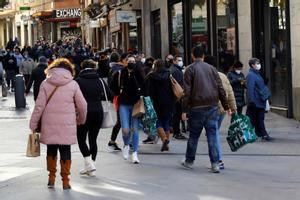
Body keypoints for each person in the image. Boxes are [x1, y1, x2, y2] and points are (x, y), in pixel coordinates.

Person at [29, 58, 87, 189]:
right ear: (69, 70)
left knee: (51, 149)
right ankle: (66, 181)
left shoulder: (45, 83)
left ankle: (51, 177)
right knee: (66, 150)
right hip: (67, 124)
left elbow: (39, 106)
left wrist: (33, 125)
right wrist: (81, 120)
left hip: (49, 123)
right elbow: (83, 106)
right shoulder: (73, 84)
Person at [181, 46, 229, 173]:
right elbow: (220, 89)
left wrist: (184, 110)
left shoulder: (189, 69)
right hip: (212, 106)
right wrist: (226, 106)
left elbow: (187, 92)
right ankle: (215, 163)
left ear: (192, 56)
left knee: (194, 135)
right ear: (203, 56)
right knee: (212, 135)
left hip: (196, 107)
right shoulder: (212, 69)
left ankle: (189, 161)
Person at [76, 59, 113, 176]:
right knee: (93, 139)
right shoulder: (100, 80)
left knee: (81, 139)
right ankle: (91, 165)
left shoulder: (78, 81)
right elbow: (110, 95)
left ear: (82, 68)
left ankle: (89, 164)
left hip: (84, 113)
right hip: (98, 112)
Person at [204, 55, 237, 170]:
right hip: (223, 108)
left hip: (212, 108)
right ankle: (217, 159)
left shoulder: (206, 75)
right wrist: (233, 108)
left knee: (213, 133)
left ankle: (218, 160)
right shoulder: (223, 75)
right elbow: (230, 92)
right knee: (214, 132)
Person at [110, 55, 145, 164]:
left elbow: (144, 88)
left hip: (136, 104)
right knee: (125, 129)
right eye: (129, 61)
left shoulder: (139, 74)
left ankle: (134, 153)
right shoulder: (119, 74)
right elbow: (113, 89)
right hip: (123, 104)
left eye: (133, 61)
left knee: (135, 129)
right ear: (125, 62)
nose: (131, 63)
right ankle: (126, 144)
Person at [146, 59, 175, 151]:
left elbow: (149, 90)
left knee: (157, 122)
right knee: (166, 121)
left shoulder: (151, 76)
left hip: (156, 102)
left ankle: (164, 139)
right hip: (168, 101)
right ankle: (165, 143)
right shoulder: (168, 74)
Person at [246, 58, 274, 141]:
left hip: (260, 100)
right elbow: (250, 89)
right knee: (257, 119)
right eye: (257, 63)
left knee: (257, 119)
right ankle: (263, 134)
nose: (259, 65)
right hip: (255, 101)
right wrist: (251, 100)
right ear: (252, 65)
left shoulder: (257, 74)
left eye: (259, 63)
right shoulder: (251, 75)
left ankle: (259, 134)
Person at [107, 52, 127, 152]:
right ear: (122, 60)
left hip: (120, 98)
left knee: (121, 121)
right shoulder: (119, 71)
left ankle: (113, 141)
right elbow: (112, 85)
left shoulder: (115, 69)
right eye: (128, 60)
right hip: (121, 99)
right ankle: (125, 142)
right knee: (121, 121)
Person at [170, 55, 186, 140]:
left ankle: (176, 131)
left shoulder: (174, 69)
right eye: (179, 60)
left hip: (174, 96)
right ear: (174, 61)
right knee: (177, 114)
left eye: (181, 60)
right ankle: (177, 132)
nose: (181, 61)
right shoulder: (176, 71)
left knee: (176, 114)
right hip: (177, 96)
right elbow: (179, 85)